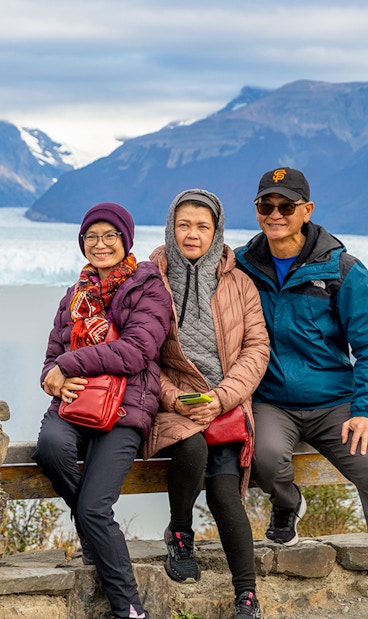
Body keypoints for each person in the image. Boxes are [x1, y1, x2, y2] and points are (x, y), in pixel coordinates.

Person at [234, 166, 368, 619]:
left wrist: (365, 411)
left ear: (307, 210)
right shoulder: (241, 264)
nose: (275, 214)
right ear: (257, 210)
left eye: (286, 205)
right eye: (266, 205)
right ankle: (287, 506)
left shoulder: (342, 270)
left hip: (336, 406)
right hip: (271, 402)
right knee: (262, 458)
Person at [33, 202, 171, 619]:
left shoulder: (149, 288)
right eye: (92, 237)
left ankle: (129, 609)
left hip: (127, 405)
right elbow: (52, 357)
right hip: (76, 403)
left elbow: (136, 351)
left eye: (110, 235)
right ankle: (97, 537)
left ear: (126, 240)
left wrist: (68, 366)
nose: (101, 244)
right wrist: (50, 377)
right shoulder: (74, 296)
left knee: (94, 507)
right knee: (50, 448)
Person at [144, 189, 270, 619]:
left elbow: (256, 350)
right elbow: (141, 353)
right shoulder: (150, 280)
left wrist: (219, 399)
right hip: (172, 404)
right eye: (184, 225)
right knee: (193, 447)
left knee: (223, 491)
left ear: (216, 231)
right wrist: (175, 399)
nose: (192, 234)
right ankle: (180, 533)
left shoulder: (239, 283)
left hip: (225, 405)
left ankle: (247, 596)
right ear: (170, 227)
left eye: (202, 226)